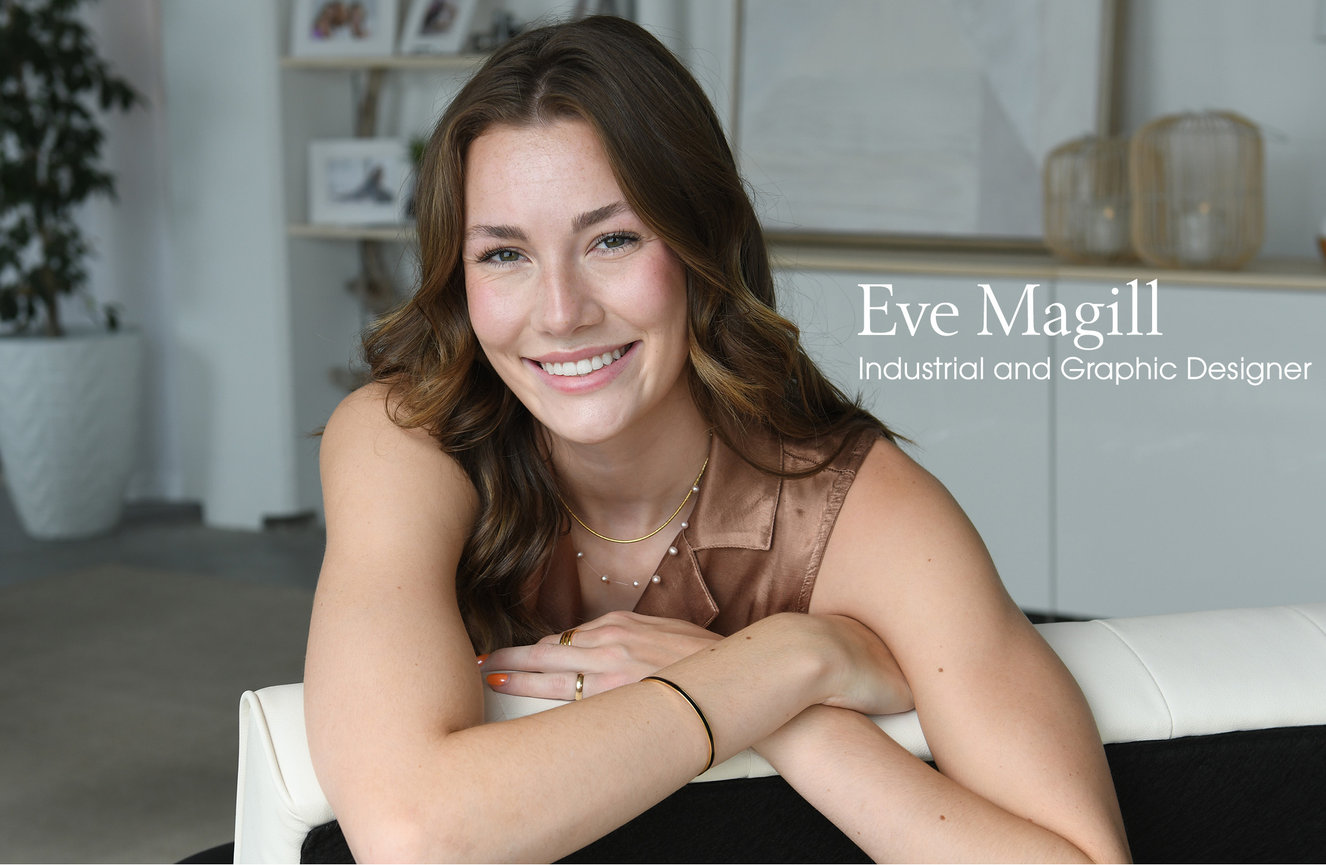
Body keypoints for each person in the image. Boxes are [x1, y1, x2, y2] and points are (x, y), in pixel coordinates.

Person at [305, 15, 1131, 863]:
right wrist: (778, 667)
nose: (560, 313)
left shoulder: (859, 508)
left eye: (613, 239)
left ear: (704, 243)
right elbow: (412, 834)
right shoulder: (405, 440)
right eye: (504, 255)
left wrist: (796, 719)